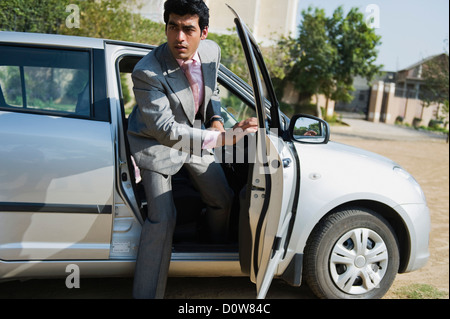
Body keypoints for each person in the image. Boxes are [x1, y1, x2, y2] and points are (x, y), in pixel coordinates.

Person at [127, 0, 258, 299]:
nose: (179, 38)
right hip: (156, 143)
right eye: (173, 27)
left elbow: (212, 90)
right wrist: (224, 138)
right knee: (163, 218)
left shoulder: (212, 52)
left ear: (204, 33)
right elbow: (166, 131)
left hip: (197, 137)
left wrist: (215, 119)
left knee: (222, 199)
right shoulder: (148, 71)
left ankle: (208, 257)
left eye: (188, 29)